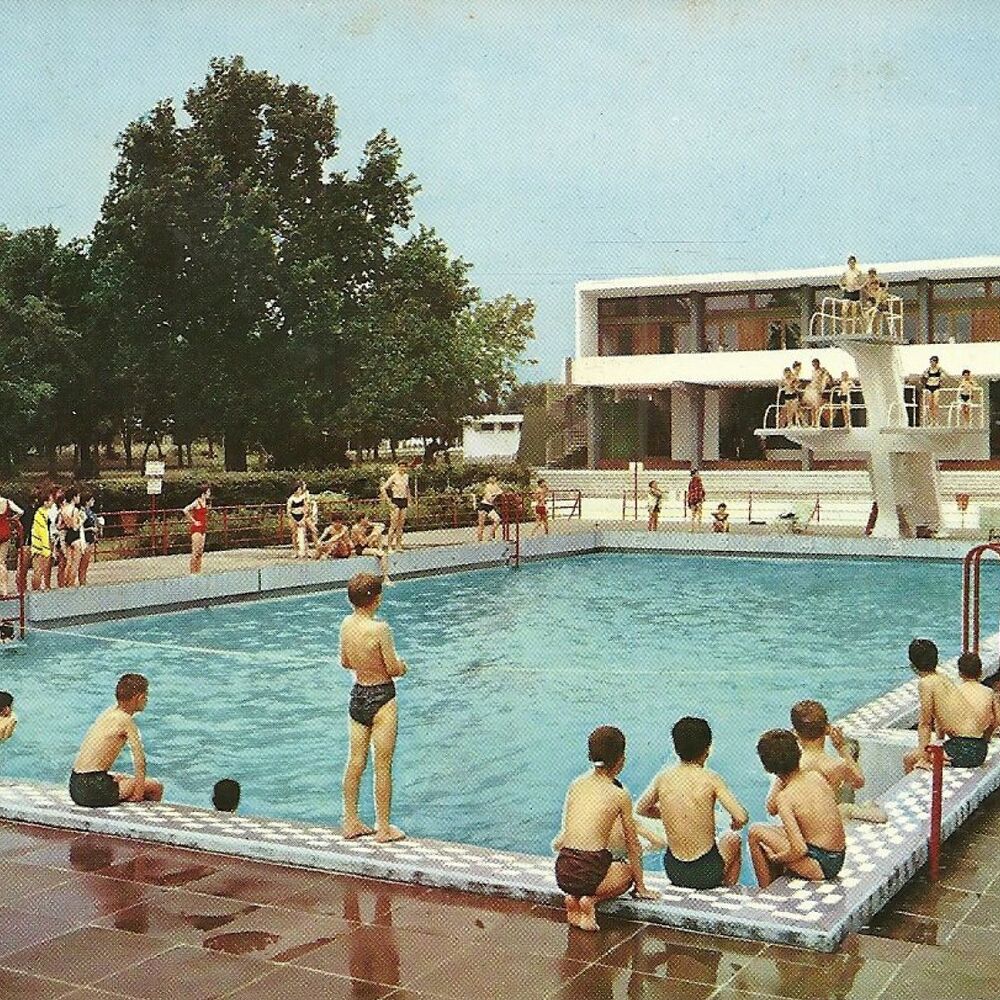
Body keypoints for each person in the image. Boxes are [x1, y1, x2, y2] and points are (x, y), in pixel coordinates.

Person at [552, 725, 658, 931]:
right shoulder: (619, 794)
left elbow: (568, 832)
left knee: (588, 867)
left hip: (563, 870)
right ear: (621, 761)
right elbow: (633, 844)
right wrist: (641, 887)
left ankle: (573, 899)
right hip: (591, 873)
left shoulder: (576, 784)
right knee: (626, 871)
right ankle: (590, 901)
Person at [636, 717, 747, 889]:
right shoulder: (711, 779)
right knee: (733, 839)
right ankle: (726, 892)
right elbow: (741, 816)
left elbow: (641, 809)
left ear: (675, 748)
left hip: (674, 870)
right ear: (708, 749)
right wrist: (735, 823)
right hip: (706, 872)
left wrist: (668, 815)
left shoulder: (663, 778)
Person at [340, 572, 407, 842]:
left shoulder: (346, 624)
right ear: (376, 599)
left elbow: (345, 662)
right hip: (382, 697)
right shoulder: (381, 629)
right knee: (383, 764)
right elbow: (392, 668)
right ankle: (383, 828)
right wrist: (404, 667)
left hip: (358, 695)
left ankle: (351, 821)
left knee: (355, 761)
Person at [749, 729, 846, 888]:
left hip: (820, 866)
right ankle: (778, 884)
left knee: (755, 832)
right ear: (799, 753)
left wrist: (776, 857)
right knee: (778, 830)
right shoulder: (816, 776)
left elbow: (799, 849)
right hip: (837, 858)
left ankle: (765, 892)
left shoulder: (785, 798)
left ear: (767, 768)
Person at [780, 700, 886, 824]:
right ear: (827, 729)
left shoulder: (791, 765)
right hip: (830, 820)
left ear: (795, 732)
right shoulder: (836, 765)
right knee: (855, 809)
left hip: (804, 823)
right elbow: (859, 782)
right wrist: (842, 749)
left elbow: (771, 807)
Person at [69, 673, 164, 807]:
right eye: (146, 696)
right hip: (92, 789)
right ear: (139, 698)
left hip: (76, 784)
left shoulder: (109, 712)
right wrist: (138, 794)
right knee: (155, 786)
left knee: (124, 778)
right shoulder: (126, 720)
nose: (147, 700)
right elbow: (140, 761)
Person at [902, 638, 993, 772]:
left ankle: (911, 791)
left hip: (964, 749)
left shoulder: (926, 683)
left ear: (912, 665)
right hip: (979, 747)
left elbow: (925, 723)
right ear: (937, 660)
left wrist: (923, 757)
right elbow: (942, 716)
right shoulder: (943, 678)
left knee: (909, 759)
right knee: (917, 755)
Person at [350, 513, 391, 581]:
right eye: (366, 518)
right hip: (360, 548)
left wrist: (375, 528)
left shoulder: (365, 524)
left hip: (367, 544)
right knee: (383, 555)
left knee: (378, 531)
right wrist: (372, 534)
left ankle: (379, 549)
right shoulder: (356, 528)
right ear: (362, 519)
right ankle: (386, 577)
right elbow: (363, 543)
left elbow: (382, 525)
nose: (368, 520)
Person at [381, 462, 411, 552]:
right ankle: (390, 546)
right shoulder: (394, 477)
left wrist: (409, 500)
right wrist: (389, 502)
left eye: (404, 467)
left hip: (404, 500)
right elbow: (383, 488)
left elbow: (407, 488)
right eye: (401, 467)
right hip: (396, 500)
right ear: (398, 467)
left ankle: (398, 545)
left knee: (401, 525)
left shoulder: (406, 476)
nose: (402, 469)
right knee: (393, 524)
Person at [0, 493, 24, 598]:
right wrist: (13, 519)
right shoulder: (6, 501)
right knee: (1, 562)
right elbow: (21, 511)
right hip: (4, 532)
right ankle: (4, 589)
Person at [30, 488, 54, 592]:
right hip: (39, 546)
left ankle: (40, 587)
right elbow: (42, 532)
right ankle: (36, 589)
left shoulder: (45, 513)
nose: (52, 502)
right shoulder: (39, 515)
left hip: (43, 545)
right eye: (51, 500)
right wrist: (46, 549)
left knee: (41, 569)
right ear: (45, 502)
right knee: (38, 569)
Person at [59, 487, 84, 588]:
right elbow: (75, 526)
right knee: (75, 563)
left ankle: (66, 582)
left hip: (67, 536)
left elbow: (60, 525)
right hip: (75, 536)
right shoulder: (75, 510)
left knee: (68, 562)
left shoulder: (63, 509)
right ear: (74, 497)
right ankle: (71, 583)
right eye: (78, 496)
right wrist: (81, 520)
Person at [184, 484, 211, 575]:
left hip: (203, 527)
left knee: (200, 552)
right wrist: (193, 521)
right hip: (197, 528)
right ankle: (192, 573)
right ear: (203, 493)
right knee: (195, 551)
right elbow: (185, 510)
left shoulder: (205, 502)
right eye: (208, 492)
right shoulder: (197, 502)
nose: (209, 493)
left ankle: (198, 571)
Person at [78, 494, 103, 586]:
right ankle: (81, 580)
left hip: (91, 538)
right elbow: (79, 527)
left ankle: (84, 579)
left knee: (86, 562)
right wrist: (90, 529)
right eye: (91, 500)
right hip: (85, 538)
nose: (93, 502)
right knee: (82, 562)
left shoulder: (90, 512)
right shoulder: (82, 512)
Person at [801, 359, 831, 428]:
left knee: (817, 407)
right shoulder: (813, 371)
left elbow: (824, 380)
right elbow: (813, 380)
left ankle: (817, 422)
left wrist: (822, 389)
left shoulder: (822, 371)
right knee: (812, 407)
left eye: (815, 364)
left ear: (818, 363)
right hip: (813, 390)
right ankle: (813, 423)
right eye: (813, 364)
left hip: (818, 390)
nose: (814, 365)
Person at [475, 474, 504, 542]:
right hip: (484, 505)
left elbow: (501, 492)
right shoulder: (487, 487)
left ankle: (490, 535)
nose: (493, 479)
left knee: (497, 520)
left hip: (490, 506)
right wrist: (495, 494)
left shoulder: (496, 486)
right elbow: (489, 499)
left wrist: (495, 494)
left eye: (494, 477)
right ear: (488, 479)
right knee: (481, 524)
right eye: (492, 478)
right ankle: (479, 539)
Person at [286, 481, 311, 559]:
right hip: (293, 516)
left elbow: (306, 508)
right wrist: (293, 520)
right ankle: (296, 552)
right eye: (298, 489)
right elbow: (288, 510)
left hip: (302, 516)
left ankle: (306, 551)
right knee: (294, 534)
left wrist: (303, 518)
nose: (300, 490)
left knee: (304, 533)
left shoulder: (303, 498)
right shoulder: (291, 499)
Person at [838, 255, 865, 324]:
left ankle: (853, 329)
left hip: (855, 292)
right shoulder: (846, 272)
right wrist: (842, 287)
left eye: (853, 262)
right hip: (848, 292)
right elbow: (839, 281)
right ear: (848, 263)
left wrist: (860, 287)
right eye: (850, 262)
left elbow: (863, 281)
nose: (852, 264)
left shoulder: (858, 272)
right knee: (844, 310)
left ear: (855, 263)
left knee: (854, 311)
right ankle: (844, 330)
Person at [922, 356, 946, 426]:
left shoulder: (939, 369)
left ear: (936, 362)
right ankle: (931, 420)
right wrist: (924, 382)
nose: (931, 363)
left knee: (935, 404)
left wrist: (941, 380)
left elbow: (946, 375)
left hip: (936, 387)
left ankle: (936, 420)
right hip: (929, 387)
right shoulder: (928, 369)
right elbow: (923, 376)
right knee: (930, 405)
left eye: (933, 361)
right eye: (931, 362)